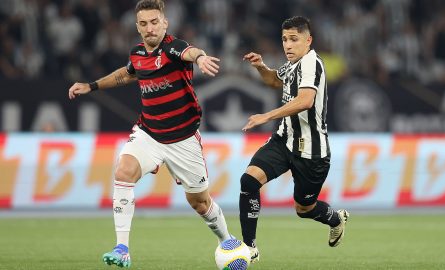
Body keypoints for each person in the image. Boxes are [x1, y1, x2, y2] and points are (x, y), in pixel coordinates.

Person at [68, 0, 232, 268]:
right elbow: (128, 73)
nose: (150, 28)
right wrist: (91, 86)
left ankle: (227, 240)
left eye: (155, 22)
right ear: (137, 27)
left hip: (183, 139)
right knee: (123, 171)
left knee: (200, 203)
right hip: (150, 133)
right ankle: (122, 248)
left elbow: (190, 51)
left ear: (164, 23)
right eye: (143, 24)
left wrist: (201, 58)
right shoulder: (137, 54)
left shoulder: (173, 47)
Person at [240, 16, 349, 263]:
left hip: (312, 151)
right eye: (284, 40)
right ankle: (249, 247)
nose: (287, 45)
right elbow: (273, 81)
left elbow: (305, 100)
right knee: (248, 181)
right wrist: (260, 66)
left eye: (294, 39)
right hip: (284, 140)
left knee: (304, 209)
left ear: (308, 40)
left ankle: (335, 218)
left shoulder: (312, 64)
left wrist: (266, 116)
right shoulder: (292, 65)